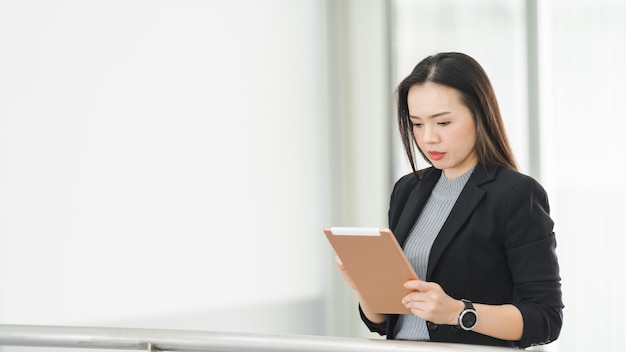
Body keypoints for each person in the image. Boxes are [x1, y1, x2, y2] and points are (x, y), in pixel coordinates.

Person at [335, 52, 563, 348]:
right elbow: (383, 321)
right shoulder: (408, 189)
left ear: (479, 115)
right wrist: (365, 287)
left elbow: (545, 319)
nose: (428, 138)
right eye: (417, 124)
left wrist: (458, 312)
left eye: (442, 123)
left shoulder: (515, 194)